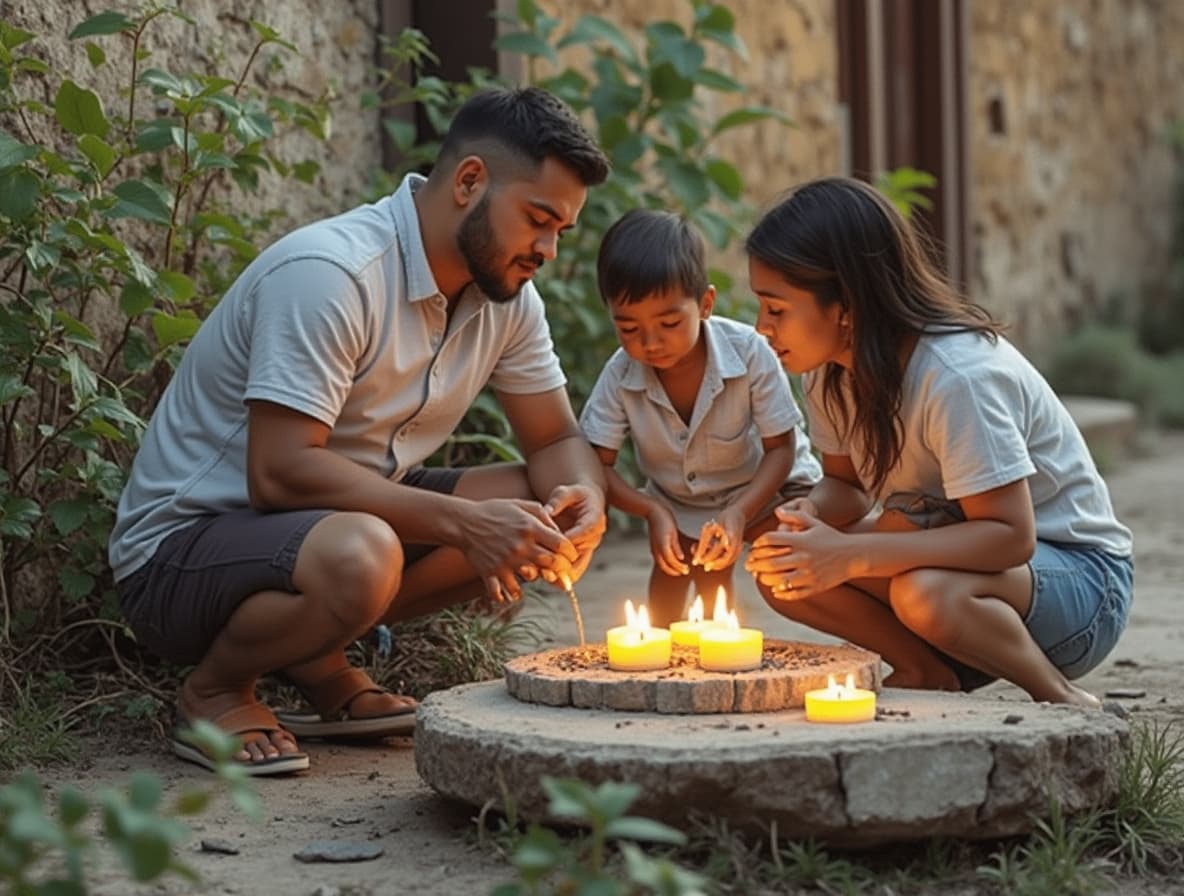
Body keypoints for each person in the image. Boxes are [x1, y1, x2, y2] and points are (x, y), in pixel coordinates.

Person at [108, 87, 611, 774]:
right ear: (470, 182)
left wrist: (582, 502)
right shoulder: (332, 274)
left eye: (562, 230)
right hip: (181, 555)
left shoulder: (508, 301)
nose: (549, 249)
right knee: (366, 554)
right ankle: (216, 688)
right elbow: (280, 471)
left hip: (320, 527)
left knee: (531, 496)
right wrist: (467, 526)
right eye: (538, 219)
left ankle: (314, 651)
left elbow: (554, 443)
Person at [743, 176, 1133, 708]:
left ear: (846, 306)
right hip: (968, 575)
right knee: (788, 569)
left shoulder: (957, 376)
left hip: (1079, 587)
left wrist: (852, 554)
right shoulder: (830, 371)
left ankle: (1061, 696)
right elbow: (847, 487)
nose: (762, 327)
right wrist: (807, 518)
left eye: (777, 309)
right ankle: (925, 669)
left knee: (922, 592)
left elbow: (1009, 536)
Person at [579, 209, 821, 626]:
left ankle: (721, 637)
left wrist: (740, 513)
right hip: (678, 504)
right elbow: (594, 466)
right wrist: (652, 511)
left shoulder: (749, 352)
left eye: (669, 323)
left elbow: (781, 449)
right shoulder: (621, 374)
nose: (651, 343)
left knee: (775, 554)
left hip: (768, 489)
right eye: (629, 329)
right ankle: (663, 655)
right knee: (675, 575)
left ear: (705, 304)